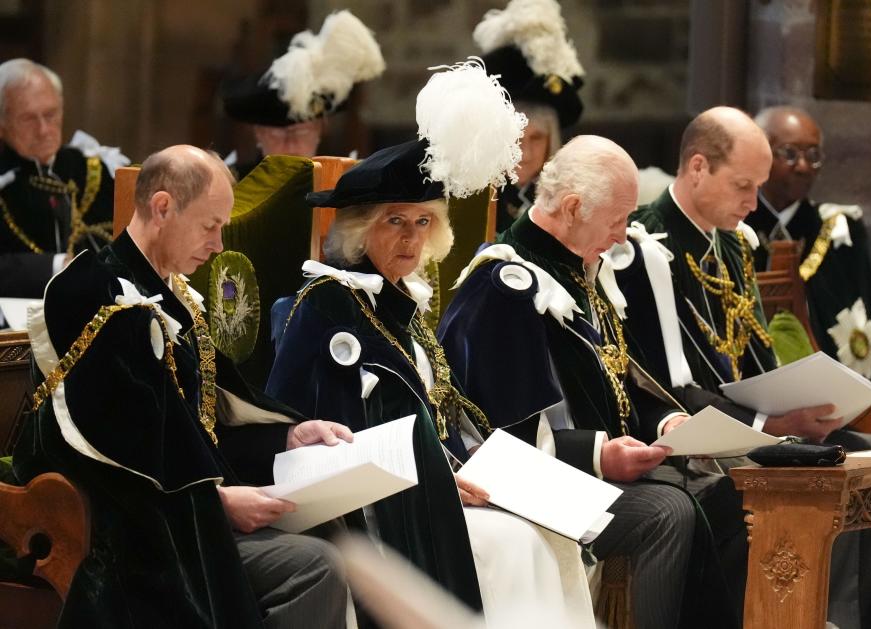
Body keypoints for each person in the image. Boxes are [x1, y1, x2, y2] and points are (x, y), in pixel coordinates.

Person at [267, 60, 594, 628]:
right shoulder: (322, 305)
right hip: (375, 510)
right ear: (358, 226)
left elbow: (443, 409)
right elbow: (312, 424)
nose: (410, 238)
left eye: (423, 223)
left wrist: (475, 469)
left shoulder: (404, 307)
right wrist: (444, 478)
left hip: (441, 484)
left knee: (547, 534)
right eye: (395, 221)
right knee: (510, 545)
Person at [14, 145, 349, 628]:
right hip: (131, 527)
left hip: (182, 509)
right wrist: (216, 501)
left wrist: (287, 437)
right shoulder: (95, 294)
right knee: (317, 566)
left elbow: (199, 429)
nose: (217, 245)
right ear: (163, 207)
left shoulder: (175, 299)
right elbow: (113, 451)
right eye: (210, 225)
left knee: (337, 533)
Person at [439, 134, 741, 629]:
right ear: (574, 207)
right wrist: (600, 455)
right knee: (668, 510)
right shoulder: (504, 288)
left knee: (728, 491)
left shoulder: (582, 269)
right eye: (618, 219)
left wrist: (666, 422)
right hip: (533, 489)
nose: (624, 235)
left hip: (602, 473)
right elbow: (499, 440)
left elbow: (624, 376)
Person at [622, 106, 871, 628]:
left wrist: (814, 403)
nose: (754, 204)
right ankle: (815, 617)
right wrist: (770, 426)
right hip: (701, 441)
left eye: (759, 187)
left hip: (757, 423)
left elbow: (756, 358)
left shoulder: (731, 241)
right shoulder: (644, 247)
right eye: (743, 186)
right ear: (698, 167)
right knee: (825, 476)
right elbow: (664, 387)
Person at [748, 105, 871, 381]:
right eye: (789, 154)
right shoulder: (733, 227)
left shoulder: (837, 230)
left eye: (813, 155)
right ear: (760, 154)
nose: (803, 167)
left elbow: (866, 318)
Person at [0, 58, 127, 299]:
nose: (44, 130)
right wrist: (56, 266)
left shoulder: (95, 169)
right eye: (28, 118)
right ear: (2, 123)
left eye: (50, 115)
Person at [221, 10, 384, 179]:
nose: (290, 144)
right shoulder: (233, 186)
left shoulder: (341, 186)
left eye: (301, 132)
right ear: (258, 134)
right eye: (277, 133)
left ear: (320, 128)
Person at [474, 0, 584, 234]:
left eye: (537, 138)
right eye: (516, 137)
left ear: (551, 140)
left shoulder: (569, 199)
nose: (525, 152)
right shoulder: (473, 197)